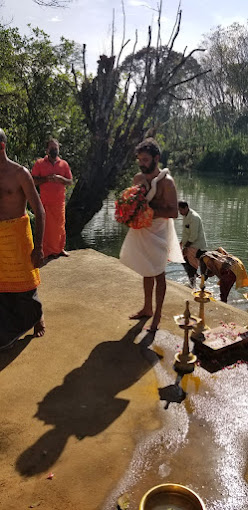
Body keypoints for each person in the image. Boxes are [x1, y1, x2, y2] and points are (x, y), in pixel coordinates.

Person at [120, 138, 184, 332]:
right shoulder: (138, 179)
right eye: (140, 160)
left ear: (156, 158)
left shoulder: (167, 183)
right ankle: (147, 308)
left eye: (145, 159)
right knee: (146, 269)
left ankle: (157, 315)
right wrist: (128, 212)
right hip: (142, 230)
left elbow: (173, 212)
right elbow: (131, 204)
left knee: (158, 272)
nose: (142, 163)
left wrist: (148, 212)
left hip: (160, 232)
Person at [0, 128, 45, 350]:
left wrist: (39, 247)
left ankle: (37, 317)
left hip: (17, 236)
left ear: (1, 147)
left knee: (26, 284)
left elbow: (39, 209)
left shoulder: (20, 173)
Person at [32, 138, 73, 260]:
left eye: (56, 148)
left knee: (60, 226)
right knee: (46, 228)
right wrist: (47, 179)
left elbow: (70, 181)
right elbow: (33, 180)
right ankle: (45, 251)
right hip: (45, 201)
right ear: (47, 150)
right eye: (52, 148)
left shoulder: (64, 164)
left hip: (59, 202)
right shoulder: (39, 163)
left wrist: (61, 179)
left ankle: (59, 249)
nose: (54, 150)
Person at [178, 200, 207, 287]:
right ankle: (194, 276)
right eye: (179, 211)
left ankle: (193, 282)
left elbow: (193, 236)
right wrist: (181, 243)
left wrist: (185, 247)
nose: (180, 212)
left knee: (187, 261)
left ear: (186, 208)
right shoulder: (186, 216)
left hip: (196, 245)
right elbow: (186, 233)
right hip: (190, 243)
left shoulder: (194, 217)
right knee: (181, 259)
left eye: (181, 210)